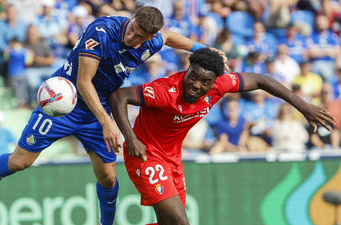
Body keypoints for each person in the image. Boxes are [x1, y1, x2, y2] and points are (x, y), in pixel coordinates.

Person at [0, 6, 227, 224]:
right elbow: (84, 82)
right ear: (131, 19)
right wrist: (107, 122)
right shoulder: (102, 31)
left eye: (139, 37)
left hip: (97, 112)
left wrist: (202, 50)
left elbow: (168, 37)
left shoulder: (151, 41)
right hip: (63, 102)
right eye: (132, 29)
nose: (132, 37)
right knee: (20, 162)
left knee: (108, 178)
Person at [109, 48, 335, 224]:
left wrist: (304, 107)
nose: (196, 85)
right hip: (146, 155)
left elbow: (262, 80)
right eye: (193, 76)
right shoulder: (165, 91)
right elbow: (119, 97)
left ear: (214, 82)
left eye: (204, 81)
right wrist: (130, 138)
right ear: (187, 70)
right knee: (179, 221)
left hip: (172, 158)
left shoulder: (221, 85)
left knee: (168, 222)